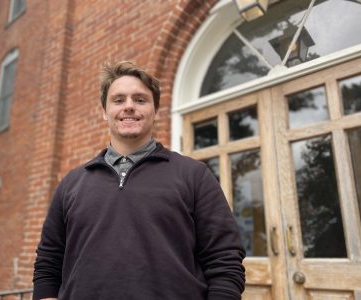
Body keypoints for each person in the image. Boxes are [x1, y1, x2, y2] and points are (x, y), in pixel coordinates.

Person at [33, 61, 246, 300]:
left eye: (140, 100)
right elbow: (48, 263)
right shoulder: (72, 183)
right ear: (104, 111)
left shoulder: (194, 175)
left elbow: (224, 260)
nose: (129, 107)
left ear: (155, 111)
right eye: (118, 100)